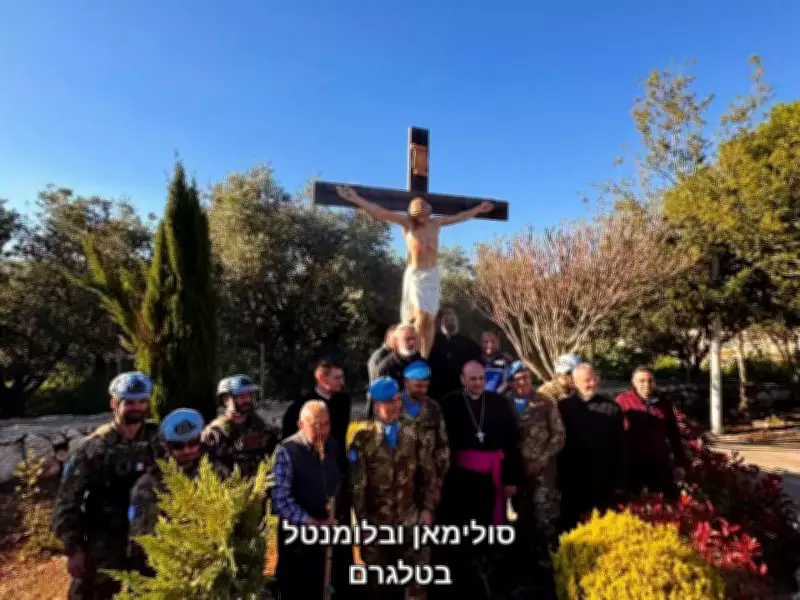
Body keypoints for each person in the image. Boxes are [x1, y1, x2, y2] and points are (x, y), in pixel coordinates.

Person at [336, 185, 493, 358]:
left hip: (432, 274)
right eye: (417, 216)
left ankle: (425, 357)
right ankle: (414, 356)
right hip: (417, 274)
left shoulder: (436, 223)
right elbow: (379, 211)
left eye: (424, 215)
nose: (421, 219)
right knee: (420, 317)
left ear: (429, 212)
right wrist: (355, 198)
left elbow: (459, 217)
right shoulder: (407, 224)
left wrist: (478, 209)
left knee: (431, 319)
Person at [52, 372, 160, 600]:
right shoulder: (92, 448)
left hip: (148, 541)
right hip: (104, 542)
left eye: (142, 401)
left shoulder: (157, 440)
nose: (137, 408)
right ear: (114, 403)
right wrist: (74, 549)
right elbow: (67, 501)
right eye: (130, 402)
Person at [435, 361, 524, 600]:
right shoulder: (449, 403)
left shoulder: (499, 403)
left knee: (490, 530)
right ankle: (465, 578)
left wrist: (511, 478)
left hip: (492, 477)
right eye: (472, 379)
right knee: (464, 531)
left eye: (481, 379)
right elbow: (441, 444)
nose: (477, 383)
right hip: (460, 478)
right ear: (462, 380)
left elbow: (512, 443)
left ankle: (491, 575)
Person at [348, 377, 439, 600]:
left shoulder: (413, 430)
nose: (396, 406)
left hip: (410, 518)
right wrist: (362, 524)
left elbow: (428, 473)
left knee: (418, 580)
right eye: (389, 402)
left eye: (398, 400)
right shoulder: (362, 437)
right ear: (377, 404)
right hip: (377, 524)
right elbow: (357, 486)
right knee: (377, 585)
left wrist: (427, 509)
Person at [127, 408, 227, 573]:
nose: (187, 450)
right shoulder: (149, 484)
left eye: (193, 443)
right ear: (166, 447)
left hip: (212, 562)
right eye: (178, 446)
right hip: (167, 567)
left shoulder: (217, 472)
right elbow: (143, 539)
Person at [271, 401, 342, 600]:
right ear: (301, 425)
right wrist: (313, 522)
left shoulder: (332, 446)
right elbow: (280, 500)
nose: (322, 431)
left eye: (326, 424)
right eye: (315, 425)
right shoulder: (286, 451)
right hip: (298, 542)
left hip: (327, 537)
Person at [557, 363, 628, 534]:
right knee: (572, 526)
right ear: (574, 383)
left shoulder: (611, 408)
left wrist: (620, 480)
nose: (592, 384)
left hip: (602, 478)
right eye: (587, 380)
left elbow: (620, 447)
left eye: (595, 379)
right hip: (572, 478)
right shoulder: (563, 407)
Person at [505, 361, 566, 549]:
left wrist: (542, 460)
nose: (522, 382)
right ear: (509, 383)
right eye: (517, 379)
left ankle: (548, 556)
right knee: (518, 514)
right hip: (515, 470)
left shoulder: (545, 402)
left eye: (526, 378)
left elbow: (559, 434)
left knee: (545, 515)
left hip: (543, 470)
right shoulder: (503, 403)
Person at [615, 366, 688, 499]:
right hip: (633, 467)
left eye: (650, 381)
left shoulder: (663, 403)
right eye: (642, 381)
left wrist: (680, 464)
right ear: (633, 382)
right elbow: (614, 436)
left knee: (665, 507)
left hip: (660, 465)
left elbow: (674, 435)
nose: (646, 385)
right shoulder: (623, 402)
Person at [282, 359, 352, 472]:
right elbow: (289, 444)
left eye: (342, 377)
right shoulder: (298, 408)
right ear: (321, 378)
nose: (342, 382)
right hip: (309, 467)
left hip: (337, 465)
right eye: (337, 378)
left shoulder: (343, 401)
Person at [202, 374, 277, 478]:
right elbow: (206, 466)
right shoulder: (214, 433)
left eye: (249, 395)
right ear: (226, 400)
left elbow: (273, 457)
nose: (247, 400)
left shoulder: (262, 427)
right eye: (241, 396)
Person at [401, 360, 451, 513]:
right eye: (418, 386)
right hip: (399, 481)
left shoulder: (433, 408)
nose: (423, 390)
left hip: (427, 481)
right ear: (406, 382)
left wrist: (439, 481)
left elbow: (442, 446)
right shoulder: (392, 406)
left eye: (426, 386)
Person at [368, 324, 423, 417]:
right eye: (407, 339)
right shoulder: (385, 367)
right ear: (397, 341)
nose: (411, 342)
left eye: (414, 338)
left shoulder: (423, 364)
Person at [427, 309, 482, 400]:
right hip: (436, 391)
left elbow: (481, 360)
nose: (450, 323)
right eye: (446, 320)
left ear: (457, 321)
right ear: (441, 322)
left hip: (460, 392)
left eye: (452, 319)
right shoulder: (432, 341)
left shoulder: (468, 343)